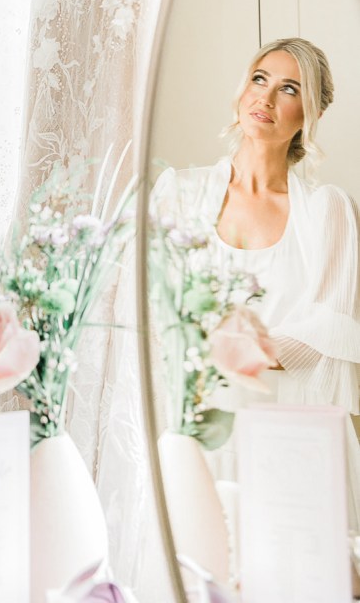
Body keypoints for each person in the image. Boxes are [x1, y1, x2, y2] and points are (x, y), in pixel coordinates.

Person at [151, 37, 360, 527]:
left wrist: (230, 349)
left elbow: (327, 332)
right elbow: (152, 307)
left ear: (310, 113)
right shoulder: (179, 193)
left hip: (290, 434)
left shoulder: (328, 211)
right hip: (198, 425)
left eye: (289, 89)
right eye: (259, 79)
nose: (265, 98)